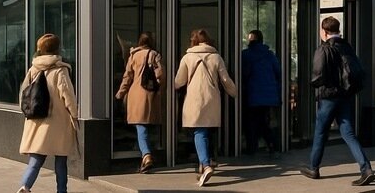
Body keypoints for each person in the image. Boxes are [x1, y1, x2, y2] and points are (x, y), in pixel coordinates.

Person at [300, 16, 375, 186]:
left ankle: (313, 168)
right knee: (348, 133)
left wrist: (313, 85)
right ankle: (366, 168)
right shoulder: (347, 47)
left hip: (329, 97)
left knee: (321, 132)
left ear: (324, 31)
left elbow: (318, 74)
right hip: (345, 95)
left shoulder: (324, 48)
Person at [16, 34, 79, 193]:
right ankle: (61, 190)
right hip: (58, 122)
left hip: (37, 120)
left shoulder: (33, 68)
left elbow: (23, 93)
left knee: (36, 158)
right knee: (61, 159)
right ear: (57, 48)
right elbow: (68, 95)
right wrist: (74, 114)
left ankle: (25, 185)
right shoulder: (60, 70)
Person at [175, 29, 237, 187]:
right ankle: (204, 164)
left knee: (199, 131)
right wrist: (234, 92)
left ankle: (206, 164)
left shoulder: (187, 57)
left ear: (193, 41)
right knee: (207, 130)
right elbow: (225, 79)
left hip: (194, 99)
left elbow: (179, 81)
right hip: (212, 98)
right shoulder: (216, 57)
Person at [115, 32, 165, 173]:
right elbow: (160, 75)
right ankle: (146, 153)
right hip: (151, 95)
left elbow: (127, 77)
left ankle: (146, 155)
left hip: (136, 95)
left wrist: (120, 93)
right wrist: (160, 89)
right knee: (146, 127)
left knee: (141, 126)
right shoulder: (154, 55)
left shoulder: (133, 56)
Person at [241, 29, 281, 156]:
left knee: (252, 122)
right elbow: (278, 72)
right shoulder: (269, 55)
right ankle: (272, 144)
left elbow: (243, 74)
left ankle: (253, 147)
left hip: (252, 94)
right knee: (263, 120)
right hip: (269, 96)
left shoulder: (245, 55)